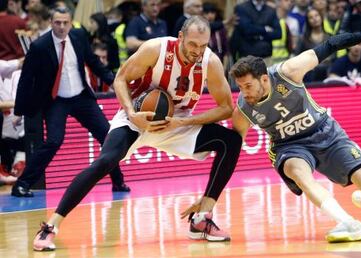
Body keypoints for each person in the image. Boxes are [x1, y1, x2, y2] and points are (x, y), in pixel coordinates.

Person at [32, 16, 242, 251]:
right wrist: (131, 113)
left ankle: (202, 217)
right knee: (105, 162)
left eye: (203, 46)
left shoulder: (209, 63)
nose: (197, 51)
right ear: (181, 37)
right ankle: (50, 226)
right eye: (193, 44)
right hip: (137, 117)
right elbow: (121, 78)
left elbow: (226, 108)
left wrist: (187, 121)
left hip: (177, 122)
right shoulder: (156, 49)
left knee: (231, 141)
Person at [229, 19, 361, 242]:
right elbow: (231, 151)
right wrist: (208, 202)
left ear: (264, 79)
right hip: (289, 146)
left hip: (325, 132)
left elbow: (332, 44)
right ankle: (348, 223)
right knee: (298, 172)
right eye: (240, 87)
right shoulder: (243, 109)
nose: (244, 93)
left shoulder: (288, 72)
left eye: (248, 86)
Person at [11, 7, 130, 198]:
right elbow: (26, 80)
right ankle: (22, 184)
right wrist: (19, 111)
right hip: (56, 100)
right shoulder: (40, 46)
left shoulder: (78, 36)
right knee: (53, 141)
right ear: (51, 23)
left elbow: (94, 62)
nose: (61, 27)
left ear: (70, 22)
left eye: (65, 22)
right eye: (57, 22)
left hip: (81, 97)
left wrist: (115, 82)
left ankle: (118, 181)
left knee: (108, 137)